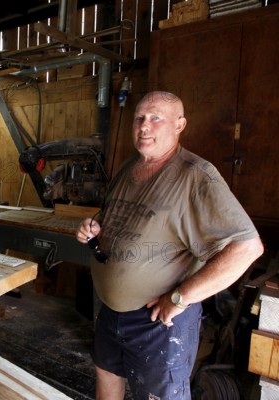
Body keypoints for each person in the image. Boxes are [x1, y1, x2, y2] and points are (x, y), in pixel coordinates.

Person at [75, 91, 264, 399]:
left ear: (180, 124)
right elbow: (113, 220)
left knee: (157, 395)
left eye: (155, 118)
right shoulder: (128, 169)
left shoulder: (197, 176)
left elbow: (247, 247)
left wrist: (180, 297)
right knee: (107, 373)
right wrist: (93, 229)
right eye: (139, 118)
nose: (144, 126)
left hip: (158, 321)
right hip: (111, 310)